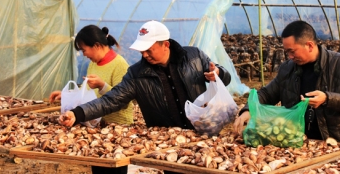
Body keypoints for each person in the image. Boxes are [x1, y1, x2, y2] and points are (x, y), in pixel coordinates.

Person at [58, 20, 232, 173]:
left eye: (149, 50)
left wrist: (218, 73)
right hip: (167, 143)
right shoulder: (136, 74)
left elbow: (223, 75)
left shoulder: (194, 56)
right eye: (142, 51)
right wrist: (77, 113)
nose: (145, 55)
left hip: (201, 135)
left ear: (166, 45)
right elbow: (112, 99)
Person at [234, 20, 340, 146]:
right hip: (301, 142)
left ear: (309, 45)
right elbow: (267, 94)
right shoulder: (288, 68)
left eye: (292, 51)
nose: (289, 56)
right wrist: (248, 110)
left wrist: (327, 98)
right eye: (287, 52)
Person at [49, 25, 134, 174]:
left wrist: (102, 85)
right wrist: (69, 94)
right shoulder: (93, 64)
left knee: (114, 168)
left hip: (118, 128)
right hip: (97, 126)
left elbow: (126, 99)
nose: (84, 54)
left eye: (84, 50)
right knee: (98, 166)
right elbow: (87, 91)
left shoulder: (119, 65)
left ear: (96, 46)